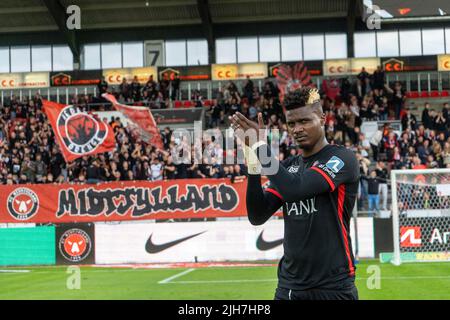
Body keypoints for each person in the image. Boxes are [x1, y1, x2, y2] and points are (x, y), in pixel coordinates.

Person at [230, 86, 359, 300]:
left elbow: (295, 188)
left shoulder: (342, 159)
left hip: (333, 286)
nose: (297, 129)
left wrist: (260, 146)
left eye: (304, 121)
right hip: (290, 287)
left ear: (322, 118)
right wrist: (252, 159)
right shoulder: (289, 167)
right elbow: (257, 215)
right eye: (291, 124)